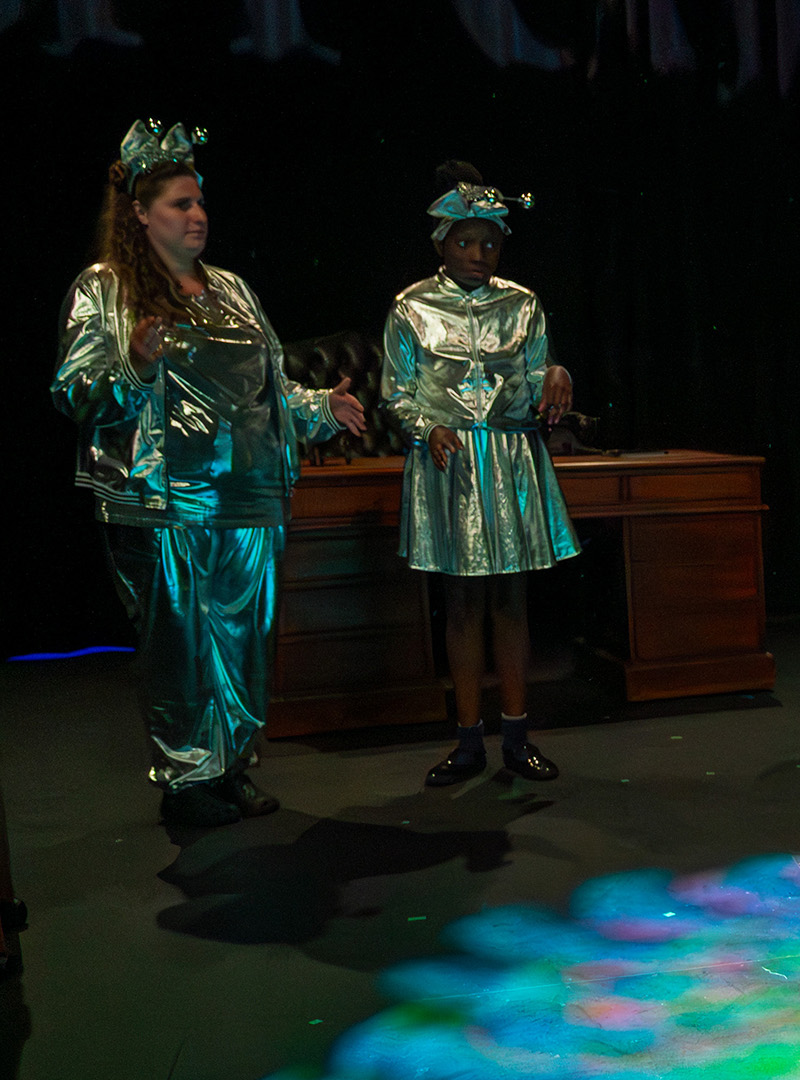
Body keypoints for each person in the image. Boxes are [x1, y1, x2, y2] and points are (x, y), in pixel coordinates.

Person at [51, 120, 366, 827]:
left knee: (244, 640)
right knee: (182, 645)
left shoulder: (231, 289)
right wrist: (133, 362)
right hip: (162, 501)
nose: (197, 216)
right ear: (139, 213)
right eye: (179, 205)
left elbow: (272, 386)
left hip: (248, 498)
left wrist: (321, 406)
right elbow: (74, 391)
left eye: (199, 203)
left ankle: (232, 765)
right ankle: (189, 779)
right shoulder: (106, 289)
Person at [382, 161, 576, 788]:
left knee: (511, 600)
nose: (478, 253)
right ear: (441, 242)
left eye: (490, 242)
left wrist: (555, 379)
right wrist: (424, 427)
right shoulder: (411, 306)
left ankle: (517, 737)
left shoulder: (522, 304)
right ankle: (468, 741)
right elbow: (396, 391)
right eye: (465, 241)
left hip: (511, 457)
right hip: (451, 460)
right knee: (462, 602)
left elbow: (540, 371)